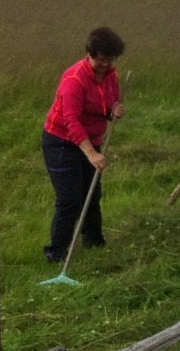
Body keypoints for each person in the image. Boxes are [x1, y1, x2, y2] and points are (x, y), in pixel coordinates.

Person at [42, 26, 125, 262]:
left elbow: (108, 106)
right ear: (89, 53)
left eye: (110, 60)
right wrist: (91, 154)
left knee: (92, 193)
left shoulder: (111, 75)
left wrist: (114, 111)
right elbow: (71, 121)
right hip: (61, 142)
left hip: (92, 140)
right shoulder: (74, 79)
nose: (105, 65)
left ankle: (94, 242)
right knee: (70, 199)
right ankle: (57, 252)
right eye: (101, 60)